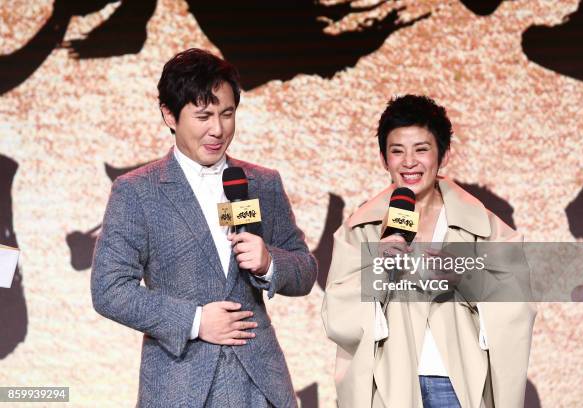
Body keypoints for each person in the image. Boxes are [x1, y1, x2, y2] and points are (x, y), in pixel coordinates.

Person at [91, 48, 317, 408]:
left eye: (227, 114)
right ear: (169, 114)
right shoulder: (137, 191)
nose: (218, 129)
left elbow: (305, 270)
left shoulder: (261, 182)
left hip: (260, 384)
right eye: (204, 116)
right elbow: (109, 289)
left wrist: (269, 262)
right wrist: (195, 320)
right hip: (179, 386)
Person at [321, 95, 536, 408]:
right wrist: (379, 270)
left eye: (421, 149)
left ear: (444, 155)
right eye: (397, 151)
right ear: (384, 159)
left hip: (459, 384)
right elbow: (338, 314)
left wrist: (466, 278)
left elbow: (519, 301)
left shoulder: (482, 225)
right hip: (390, 385)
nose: (409, 162)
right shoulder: (362, 228)